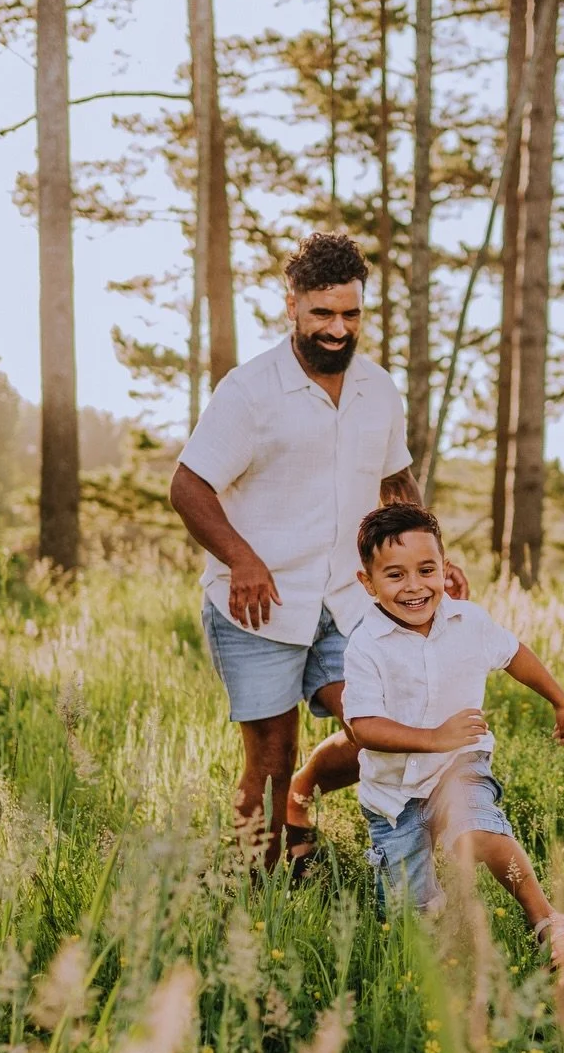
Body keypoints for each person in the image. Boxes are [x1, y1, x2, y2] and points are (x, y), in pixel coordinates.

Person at [170, 232, 468, 868]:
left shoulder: (378, 391)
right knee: (270, 761)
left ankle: (303, 797)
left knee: (388, 732)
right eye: (323, 314)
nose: (338, 329)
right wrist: (242, 559)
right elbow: (188, 485)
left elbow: (396, 483)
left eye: (351, 314)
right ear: (292, 307)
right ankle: (256, 898)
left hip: (347, 600)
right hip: (260, 605)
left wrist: (430, 560)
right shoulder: (249, 391)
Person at [342, 502, 564, 963]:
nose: (414, 586)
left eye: (426, 569)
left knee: (479, 829)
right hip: (393, 793)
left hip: (460, 764)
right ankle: (432, 909)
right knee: (411, 918)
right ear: (367, 583)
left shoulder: (469, 622)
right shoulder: (366, 645)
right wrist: (433, 736)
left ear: (445, 569)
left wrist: (560, 700)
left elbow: (515, 654)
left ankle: (547, 921)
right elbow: (363, 727)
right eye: (394, 576)